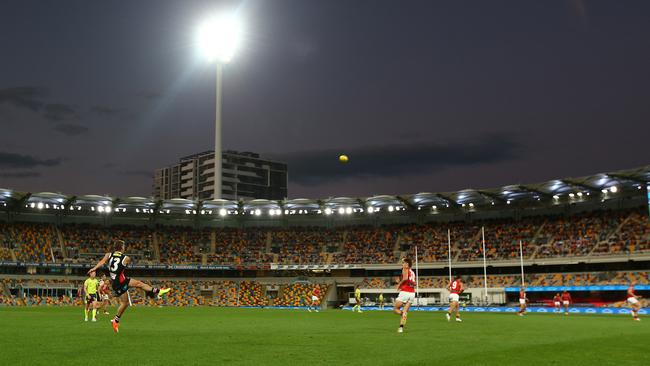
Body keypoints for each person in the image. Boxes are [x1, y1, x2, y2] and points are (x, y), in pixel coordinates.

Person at [87, 240, 171, 333]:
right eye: (124, 246)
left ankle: (115, 321)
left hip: (116, 281)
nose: (124, 247)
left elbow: (102, 262)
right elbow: (123, 266)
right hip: (121, 281)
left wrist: (94, 268)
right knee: (138, 286)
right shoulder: (126, 258)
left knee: (127, 300)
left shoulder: (108, 255)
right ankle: (158, 292)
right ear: (122, 247)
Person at [394, 258, 416, 333]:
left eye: (403, 263)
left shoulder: (405, 269)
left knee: (396, 309)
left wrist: (399, 284)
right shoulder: (412, 272)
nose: (402, 264)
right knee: (405, 311)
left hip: (405, 292)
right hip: (412, 293)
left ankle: (403, 315)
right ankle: (401, 328)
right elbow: (413, 283)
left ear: (407, 264)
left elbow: (405, 278)